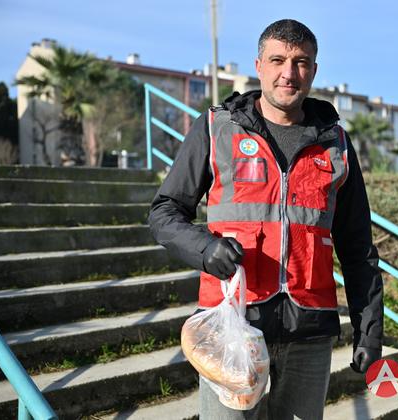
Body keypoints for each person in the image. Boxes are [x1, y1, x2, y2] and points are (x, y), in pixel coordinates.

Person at [148, 19, 383, 420]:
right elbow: (164, 211)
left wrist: (370, 330)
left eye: (301, 62)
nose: (289, 73)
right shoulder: (217, 128)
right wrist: (204, 249)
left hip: (309, 332)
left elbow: (357, 247)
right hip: (232, 325)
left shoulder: (337, 144)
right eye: (277, 60)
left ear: (314, 69)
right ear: (258, 66)